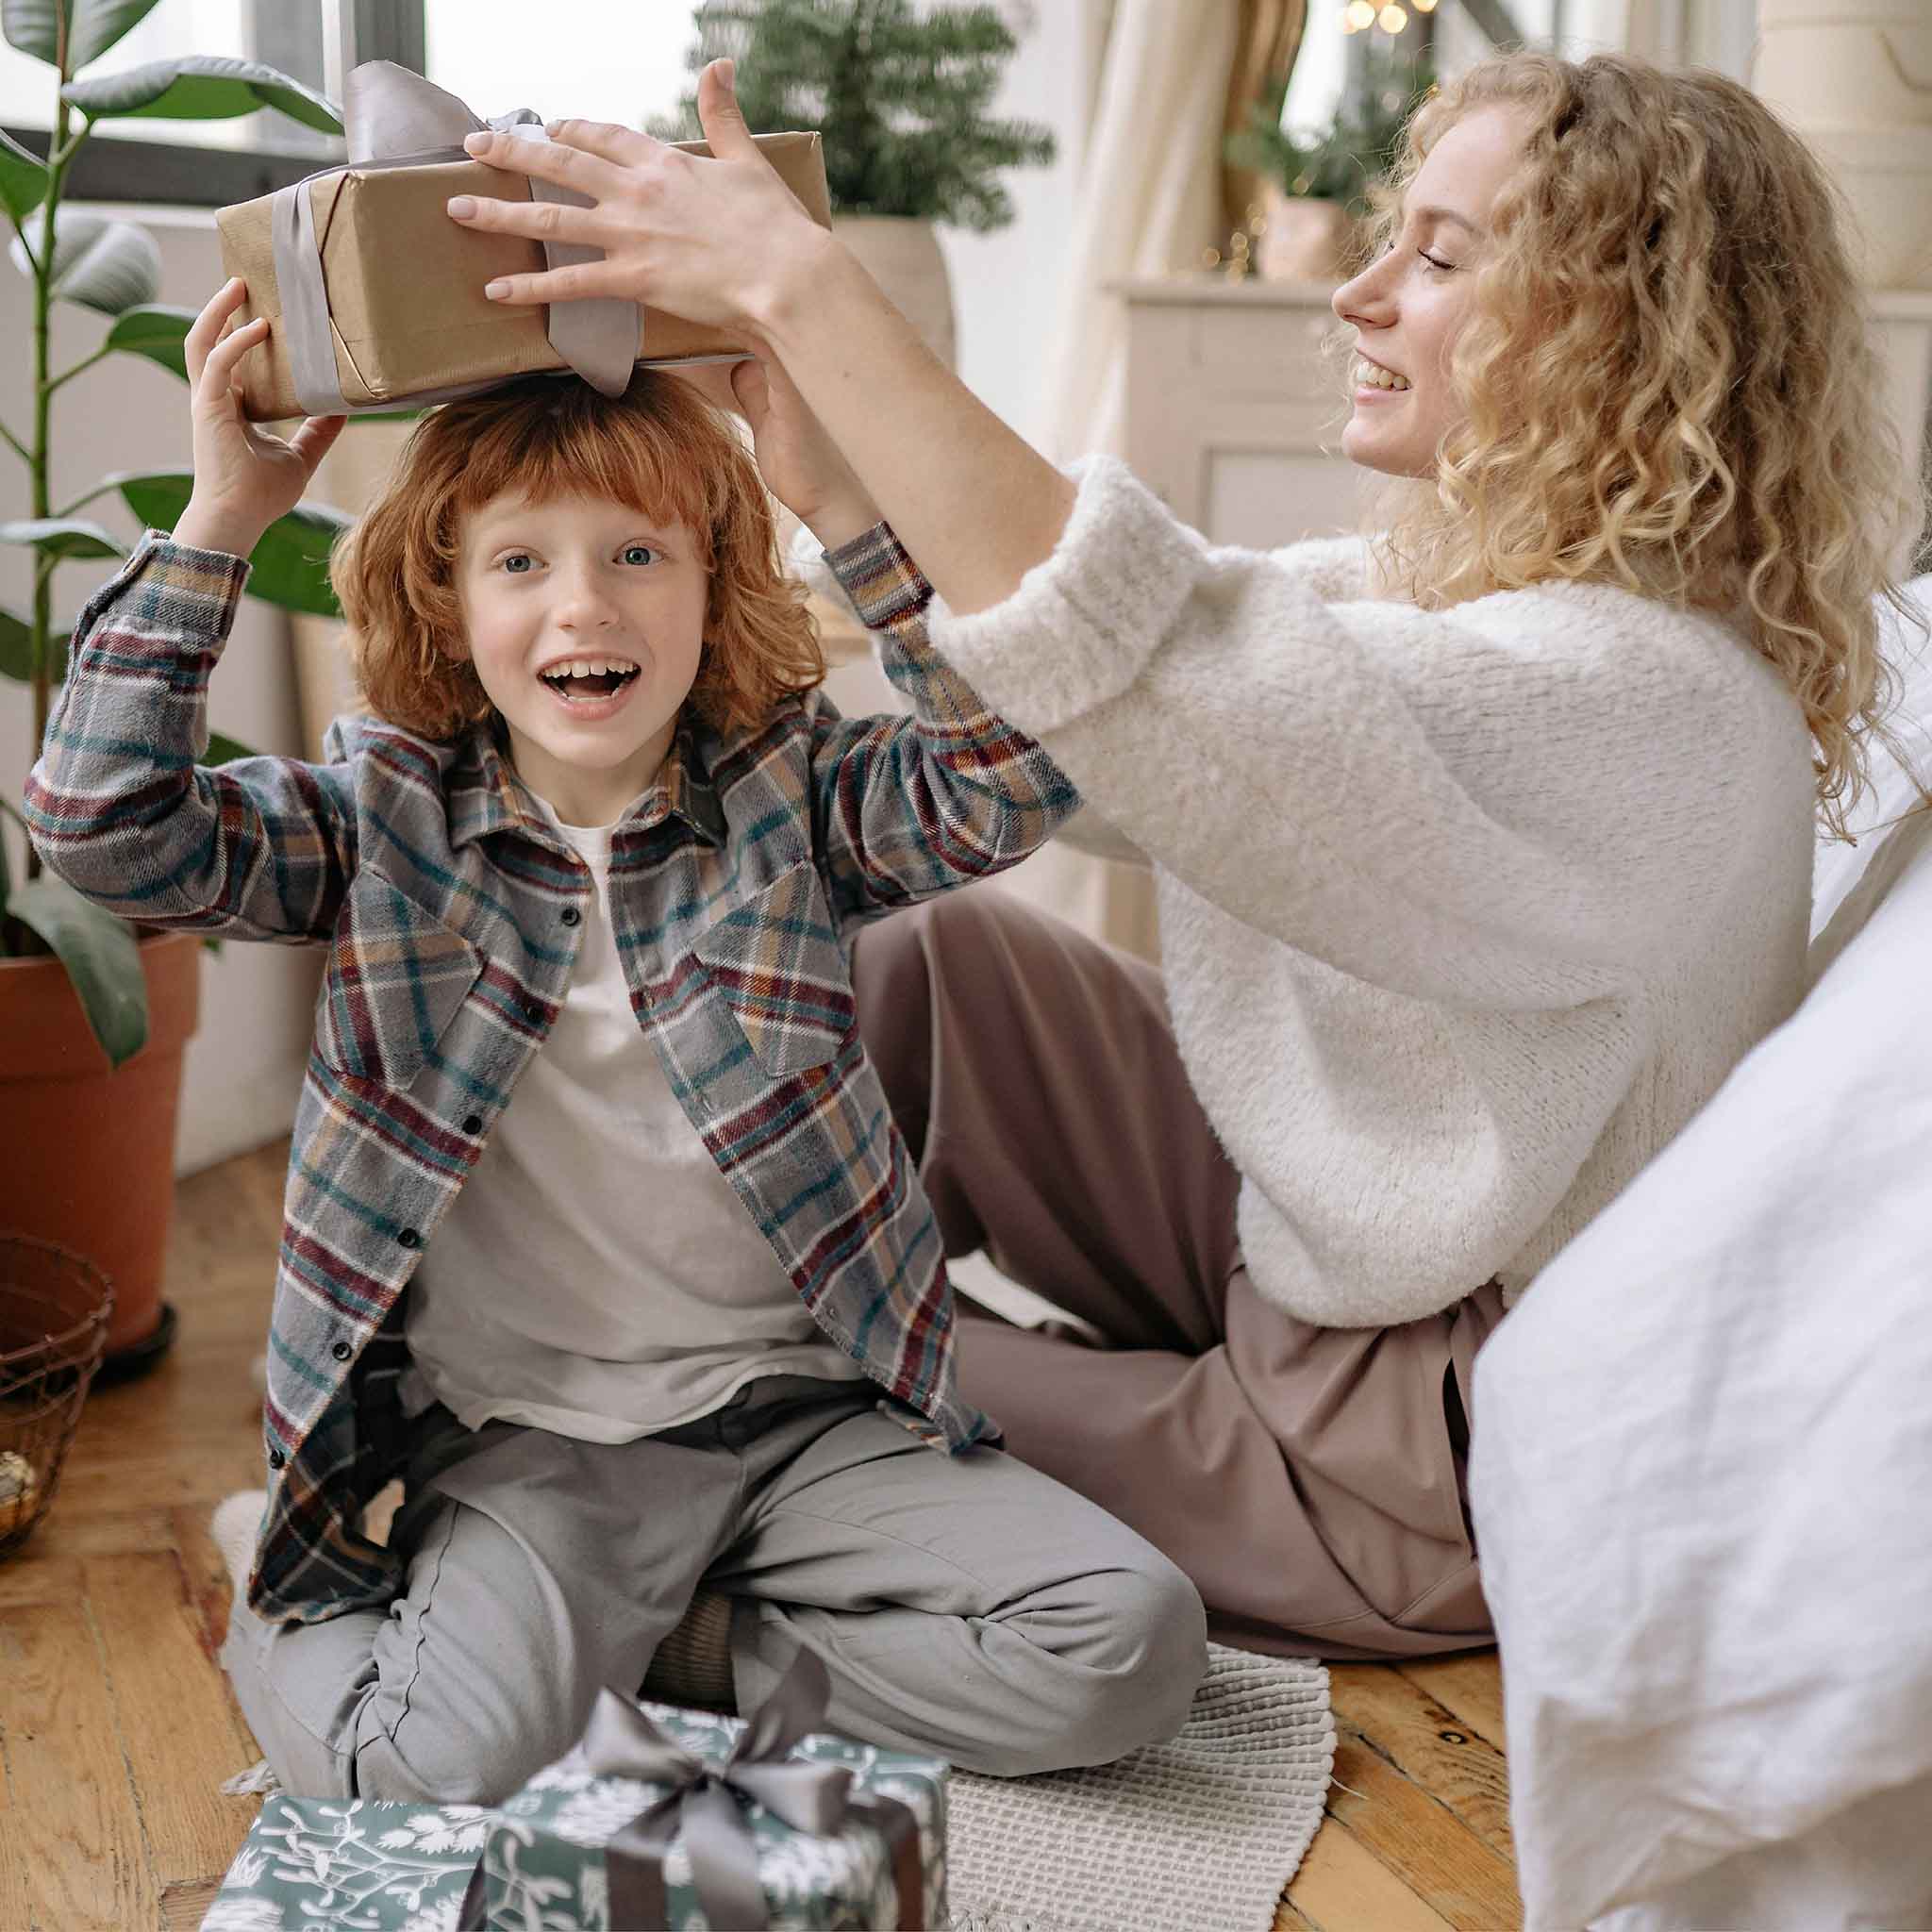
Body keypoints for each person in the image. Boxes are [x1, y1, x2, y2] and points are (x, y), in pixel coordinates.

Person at [446, 48, 1924, 1660]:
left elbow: (1164, 659)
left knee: (794, 1371)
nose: (1361, 293)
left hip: (1418, 1457)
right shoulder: (1467, 603)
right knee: (940, 966)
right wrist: (850, 502)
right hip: (1339, 1244)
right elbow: (1118, 686)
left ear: (1620, 335)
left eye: (1439, 257)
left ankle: (566, 1454)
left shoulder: (1647, 703)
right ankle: (552, 1321)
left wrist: (809, 289)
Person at [23, 281, 1208, 1803]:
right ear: (450, 603)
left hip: (806, 1419)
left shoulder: (798, 799)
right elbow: (105, 832)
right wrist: (221, 521)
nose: (584, 606)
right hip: (537, 1447)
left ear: (716, 588)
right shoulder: (378, 825)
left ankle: (674, 1647)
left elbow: (1008, 777)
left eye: (639, 556)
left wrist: (842, 499)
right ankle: (294, 1586)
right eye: (522, 562)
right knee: (419, 1763)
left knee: (1130, 1645)